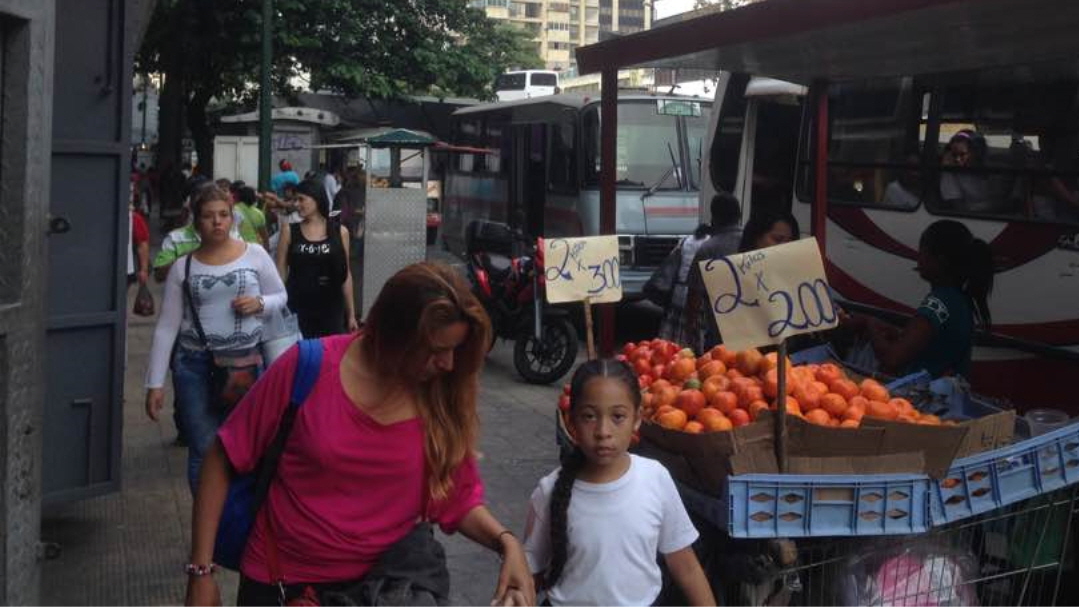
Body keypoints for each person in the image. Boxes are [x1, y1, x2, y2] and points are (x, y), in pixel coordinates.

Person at [184, 263, 536, 607]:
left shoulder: (438, 397)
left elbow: (456, 498)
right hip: (283, 585)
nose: (447, 364)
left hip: (384, 588)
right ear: (395, 335)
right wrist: (201, 573)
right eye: (435, 350)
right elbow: (222, 457)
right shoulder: (305, 368)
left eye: (454, 350)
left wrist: (506, 544)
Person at [523, 359, 715, 607]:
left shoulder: (654, 478)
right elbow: (529, 574)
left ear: (637, 419)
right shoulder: (549, 491)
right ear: (572, 422)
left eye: (617, 417)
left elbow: (686, 567)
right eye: (590, 416)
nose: (603, 431)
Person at [144, 184, 289, 492]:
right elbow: (168, 325)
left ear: (232, 217)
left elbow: (280, 296)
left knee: (249, 445)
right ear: (196, 221)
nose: (217, 222)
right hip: (195, 365)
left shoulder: (256, 255)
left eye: (223, 215)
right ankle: (207, 524)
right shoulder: (183, 266)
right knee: (203, 447)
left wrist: (260, 303)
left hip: (246, 362)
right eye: (209, 216)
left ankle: (240, 517)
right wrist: (154, 382)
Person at [853, 219, 994, 378]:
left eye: (923, 252)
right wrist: (898, 334)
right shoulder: (961, 300)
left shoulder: (936, 304)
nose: (918, 259)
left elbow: (892, 360)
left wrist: (870, 324)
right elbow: (932, 347)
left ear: (940, 261)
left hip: (925, 396)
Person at [275, 179, 357, 337]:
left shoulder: (340, 232)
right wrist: (277, 307)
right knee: (302, 356)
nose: (297, 204)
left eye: (301, 199)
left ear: (317, 198)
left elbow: (345, 275)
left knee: (327, 356)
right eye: (294, 200)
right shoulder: (289, 230)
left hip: (331, 308)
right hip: (297, 306)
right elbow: (280, 274)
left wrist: (351, 314)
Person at [655, 194, 741, 344]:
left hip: (717, 325)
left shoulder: (707, 249)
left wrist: (690, 325)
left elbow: (695, 293)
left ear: (714, 217)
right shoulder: (751, 240)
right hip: (747, 321)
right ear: (739, 216)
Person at [938, 130, 994, 213]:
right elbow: (960, 208)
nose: (957, 159)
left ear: (975, 153)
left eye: (962, 154)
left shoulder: (991, 167)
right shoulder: (950, 174)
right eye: (954, 155)